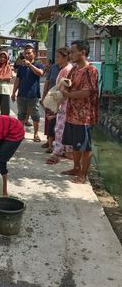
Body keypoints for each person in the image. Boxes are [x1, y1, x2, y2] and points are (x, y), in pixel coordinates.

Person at [60, 40, 99, 184]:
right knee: (75, 144)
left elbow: (87, 92)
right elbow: (67, 83)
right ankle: (76, 168)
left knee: (85, 146)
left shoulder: (91, 70)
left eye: (72, 51)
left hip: (85, 116)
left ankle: (83, 174)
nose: (70, 54)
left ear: (82, 53)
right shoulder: (74, 69)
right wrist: (66, 86)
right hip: (72, 113)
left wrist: (68, 94)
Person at [11, 44, 44, 142]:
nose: (27, 55)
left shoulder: (38, 64)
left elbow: (40, 73)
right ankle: (21, 134)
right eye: (25, 53)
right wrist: (13, 92)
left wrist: (30, 65)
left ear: (34, 54)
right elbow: (17, 80)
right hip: (22, 95)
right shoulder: (21, 67)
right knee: (21, 115)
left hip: (33, 95)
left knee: (35, 115)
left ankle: (36, 134)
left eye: (29, 53)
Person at [46, 47, 73, 165]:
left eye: (58, 57)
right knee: (62, 128)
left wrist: (56, 105)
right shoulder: (66, 69)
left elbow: (64, 88)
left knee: (59, 129)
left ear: (65, 57)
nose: (56, 59)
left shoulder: (66, 70)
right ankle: (66, 151)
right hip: (65, 102)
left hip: (64, 102)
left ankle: (57, 152)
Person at [41, 59, 62, 152]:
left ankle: (55, 143)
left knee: (57, 121)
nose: (57, 58)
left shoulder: (68, 69)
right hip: (50, 97)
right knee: (49, 120)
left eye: (59, 56)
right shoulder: (53, 67)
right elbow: (47, 81)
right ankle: (49, 141)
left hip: (61, 99)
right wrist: (44, 95)